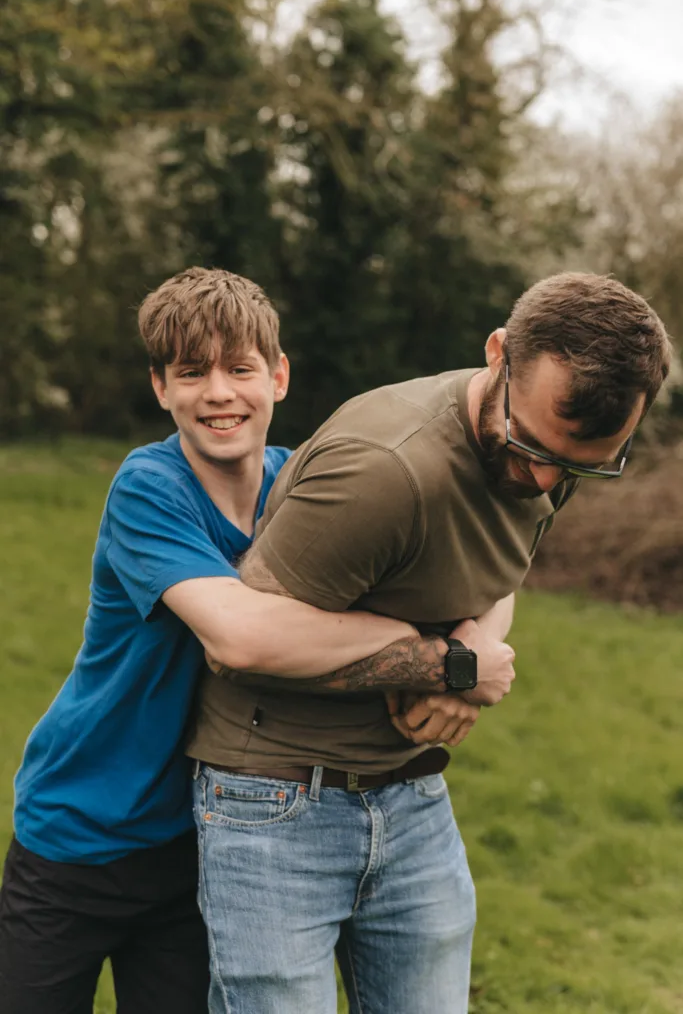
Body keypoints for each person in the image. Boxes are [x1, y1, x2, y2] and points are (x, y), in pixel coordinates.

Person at [0, 267, 497, 1014]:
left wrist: (463, 657)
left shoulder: (301, 487)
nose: (219, 393)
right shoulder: (149, 487)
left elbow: (473, 563)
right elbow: (238, 634)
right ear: (161, 388)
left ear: (280, 376)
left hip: (201, 843)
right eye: (191, 373)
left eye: (240, 368)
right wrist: (434, 655)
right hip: (80, 829)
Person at [186, 272, 671, 1014]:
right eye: (530, 445)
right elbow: (242, 645)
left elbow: (496, 570)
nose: (542, 478)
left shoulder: (551, 444)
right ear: (498, 353)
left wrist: (467, 652)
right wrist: (454, 666)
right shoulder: (383, 470)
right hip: (275, 804)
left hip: (413, 799)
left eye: (578, 466)